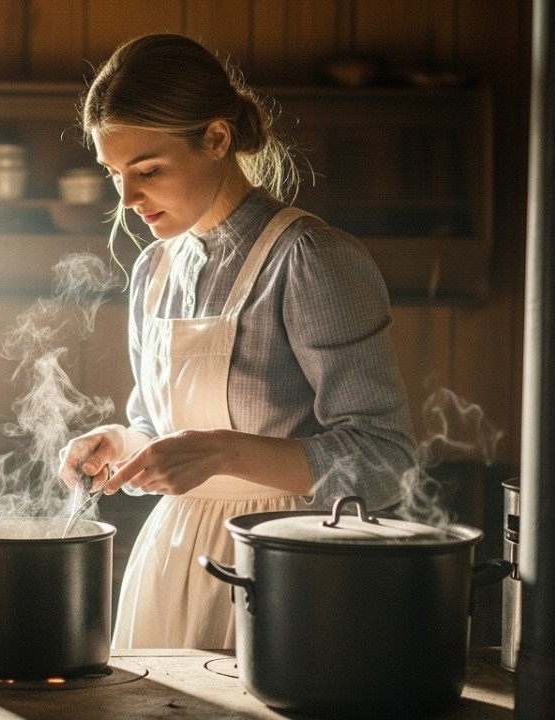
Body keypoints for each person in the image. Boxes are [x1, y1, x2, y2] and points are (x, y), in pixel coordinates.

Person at [57, 33, 417, 651]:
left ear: (218, 138)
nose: (127, 199)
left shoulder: (309, 260)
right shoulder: (154, 270)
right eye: (115, 174)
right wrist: (121, 443)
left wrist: (221, 452)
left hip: (291, 563)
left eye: (147, 170)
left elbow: (383, 458)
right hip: (172, 562)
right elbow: (157, 427)